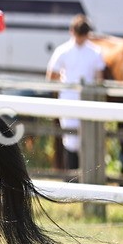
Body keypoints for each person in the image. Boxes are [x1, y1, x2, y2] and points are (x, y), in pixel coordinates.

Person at [46, 14, 107, 169]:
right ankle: (72, 176)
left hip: (85, 101)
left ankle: (82, 175)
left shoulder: (94, 52)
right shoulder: (65, 51)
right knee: (71, 140)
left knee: (84, 139)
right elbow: (51, 76)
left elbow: (99, 78)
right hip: (70, 101)